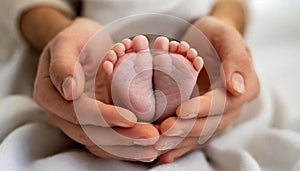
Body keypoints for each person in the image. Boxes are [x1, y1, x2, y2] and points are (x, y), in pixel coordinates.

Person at [19, 0, 259, 163]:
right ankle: (145, 94)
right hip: (102, 35)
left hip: (193, 26)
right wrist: (59, 33)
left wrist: (226, 23)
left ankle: (121, 94)